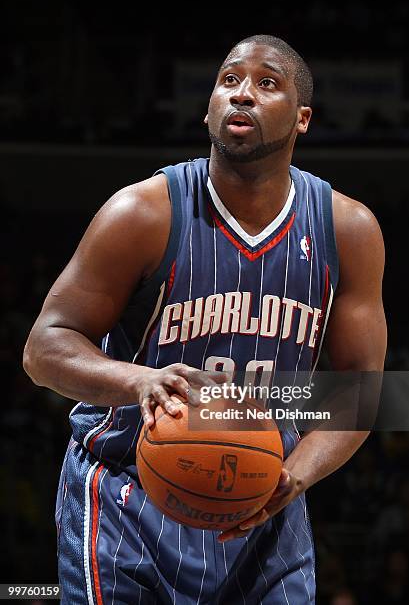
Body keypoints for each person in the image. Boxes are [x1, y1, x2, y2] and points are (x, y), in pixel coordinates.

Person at [23, 34, 386, 604]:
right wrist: (138, 379)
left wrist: (297, 475)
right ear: (208, 108)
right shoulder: (140, 213)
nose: (242, 94)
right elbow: (43, 348)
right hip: (128, 495)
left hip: (263, 495)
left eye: (268, 84)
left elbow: (359, 393)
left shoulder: (350, 230)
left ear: (303, 119)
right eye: (229, 80)